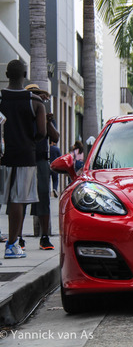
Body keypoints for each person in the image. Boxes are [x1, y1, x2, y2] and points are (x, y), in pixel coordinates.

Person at [0, 60, 46, 259]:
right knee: (18, 200)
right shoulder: (35, 101)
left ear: (6, 73)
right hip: (25, 155)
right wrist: (30, 141)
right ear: (25, 73)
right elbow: (42, 132)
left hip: (2, 154)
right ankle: (12, 245)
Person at [25, 83, 59, 250]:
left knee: (44, 197)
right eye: (32, 94)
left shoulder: (43, 114)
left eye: (38, 94)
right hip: (24, 159)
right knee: (20, 199)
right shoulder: (22, 113)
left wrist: (47, 122)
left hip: (41, 160)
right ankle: (17, 238)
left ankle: (44, 236)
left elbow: (56, 137)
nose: (36, 97)